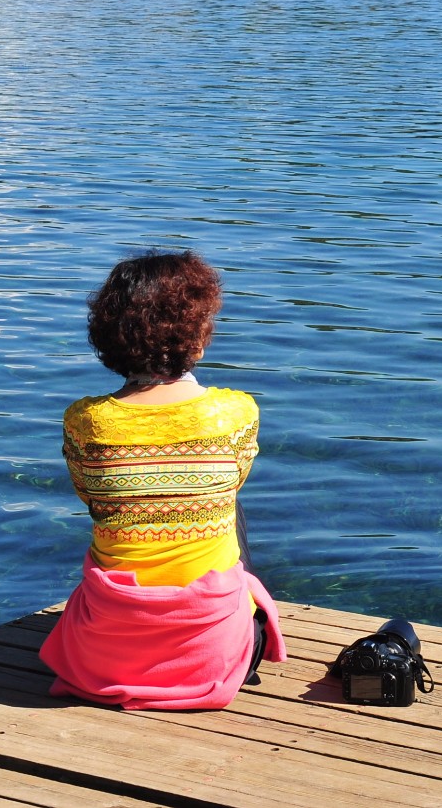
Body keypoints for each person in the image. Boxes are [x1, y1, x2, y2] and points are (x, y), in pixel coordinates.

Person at [37, 250, 285, 709]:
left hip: (100, 662)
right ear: (199, 335)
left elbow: (92, 500)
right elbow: (231, 486)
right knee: (226, 500)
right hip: (209, 662)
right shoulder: (234, 414)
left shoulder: (85, 422)